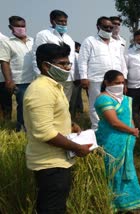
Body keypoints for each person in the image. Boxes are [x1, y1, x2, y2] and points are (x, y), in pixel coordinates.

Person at [24, 43, 92, 213]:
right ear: (46, 65)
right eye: (62, 64)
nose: (67, 68)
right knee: (52, 209)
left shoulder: (53, 86)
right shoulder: (40, 90)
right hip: (49, 164)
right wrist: (77, 148)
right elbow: (45, 132)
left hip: (58, 160)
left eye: (68, 64)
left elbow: (51, 117)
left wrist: (70, 125)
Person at [95, 70, 140, 212]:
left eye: (122, 82)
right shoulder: (103, 99)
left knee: (126, 172)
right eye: (117, 83)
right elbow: (114, 122)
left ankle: (130, 203)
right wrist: (132, 131)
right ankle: (113, 205)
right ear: (107, 83)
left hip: (126, 142)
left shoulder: (125, 99)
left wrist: (133, 133)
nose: (120, 85)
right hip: (111, 142)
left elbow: (130, 119)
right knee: (113, 173)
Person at [79, 16, 127, 129]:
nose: (109, 29)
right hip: (97, 80)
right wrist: (84, 77)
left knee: (115, 104)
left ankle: (113, 128)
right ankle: (97, 129)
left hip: (115, 82)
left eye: (111, 27)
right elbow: (82, 60)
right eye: (106, 27)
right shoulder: (90, 41)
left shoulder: (117, 43)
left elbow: (122, 61)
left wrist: (123, 79)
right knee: (96, 105)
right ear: (98, 27)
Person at [0, 16, 35, 131]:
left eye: (23, 26)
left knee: (33, 106)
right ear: (11, 27)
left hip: (34, 80)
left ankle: (31, 128)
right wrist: (8, 81)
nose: (21, 28)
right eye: (18, 26)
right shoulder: (7, 42)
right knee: (23, 106)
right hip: (19, 81)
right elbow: (4, 62)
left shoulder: (32, 41)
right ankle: (21, 130)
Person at [32, 10, 76, 101]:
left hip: (67, 77)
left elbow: (72, 58)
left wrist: (75, 76)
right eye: (60, 21)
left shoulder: (69, 38)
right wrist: (39, 75)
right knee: (50, 101)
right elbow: (36, 56)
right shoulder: (44, 35)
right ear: (52, 21)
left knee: (64, 103)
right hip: (52, 75)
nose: (63, 24)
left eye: (65, 21)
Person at [69, 42, 84, 119]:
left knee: (74, 100)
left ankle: (73, 116)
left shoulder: (77, 55)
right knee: (74, 100)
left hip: (76, 80)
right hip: (74, 80)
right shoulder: (75, 55)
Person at [0, 32, 9, 120]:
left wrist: (8, 79)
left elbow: (5, 60)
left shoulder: (4, 40)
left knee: (5, 104)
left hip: (2, 78)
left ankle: (6, 123)